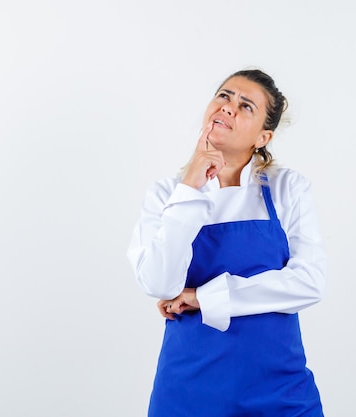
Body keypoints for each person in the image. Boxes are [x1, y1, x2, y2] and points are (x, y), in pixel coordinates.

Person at [127, 69, 326, 417]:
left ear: (264, 136)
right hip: (189, 391)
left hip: (281, 392)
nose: (229, 107)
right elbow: (159, 282)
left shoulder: (286, 189)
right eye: (224, 95)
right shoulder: (167, 195)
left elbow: (309, 283)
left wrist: (203, 297)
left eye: (245, 105)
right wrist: (190, 187)